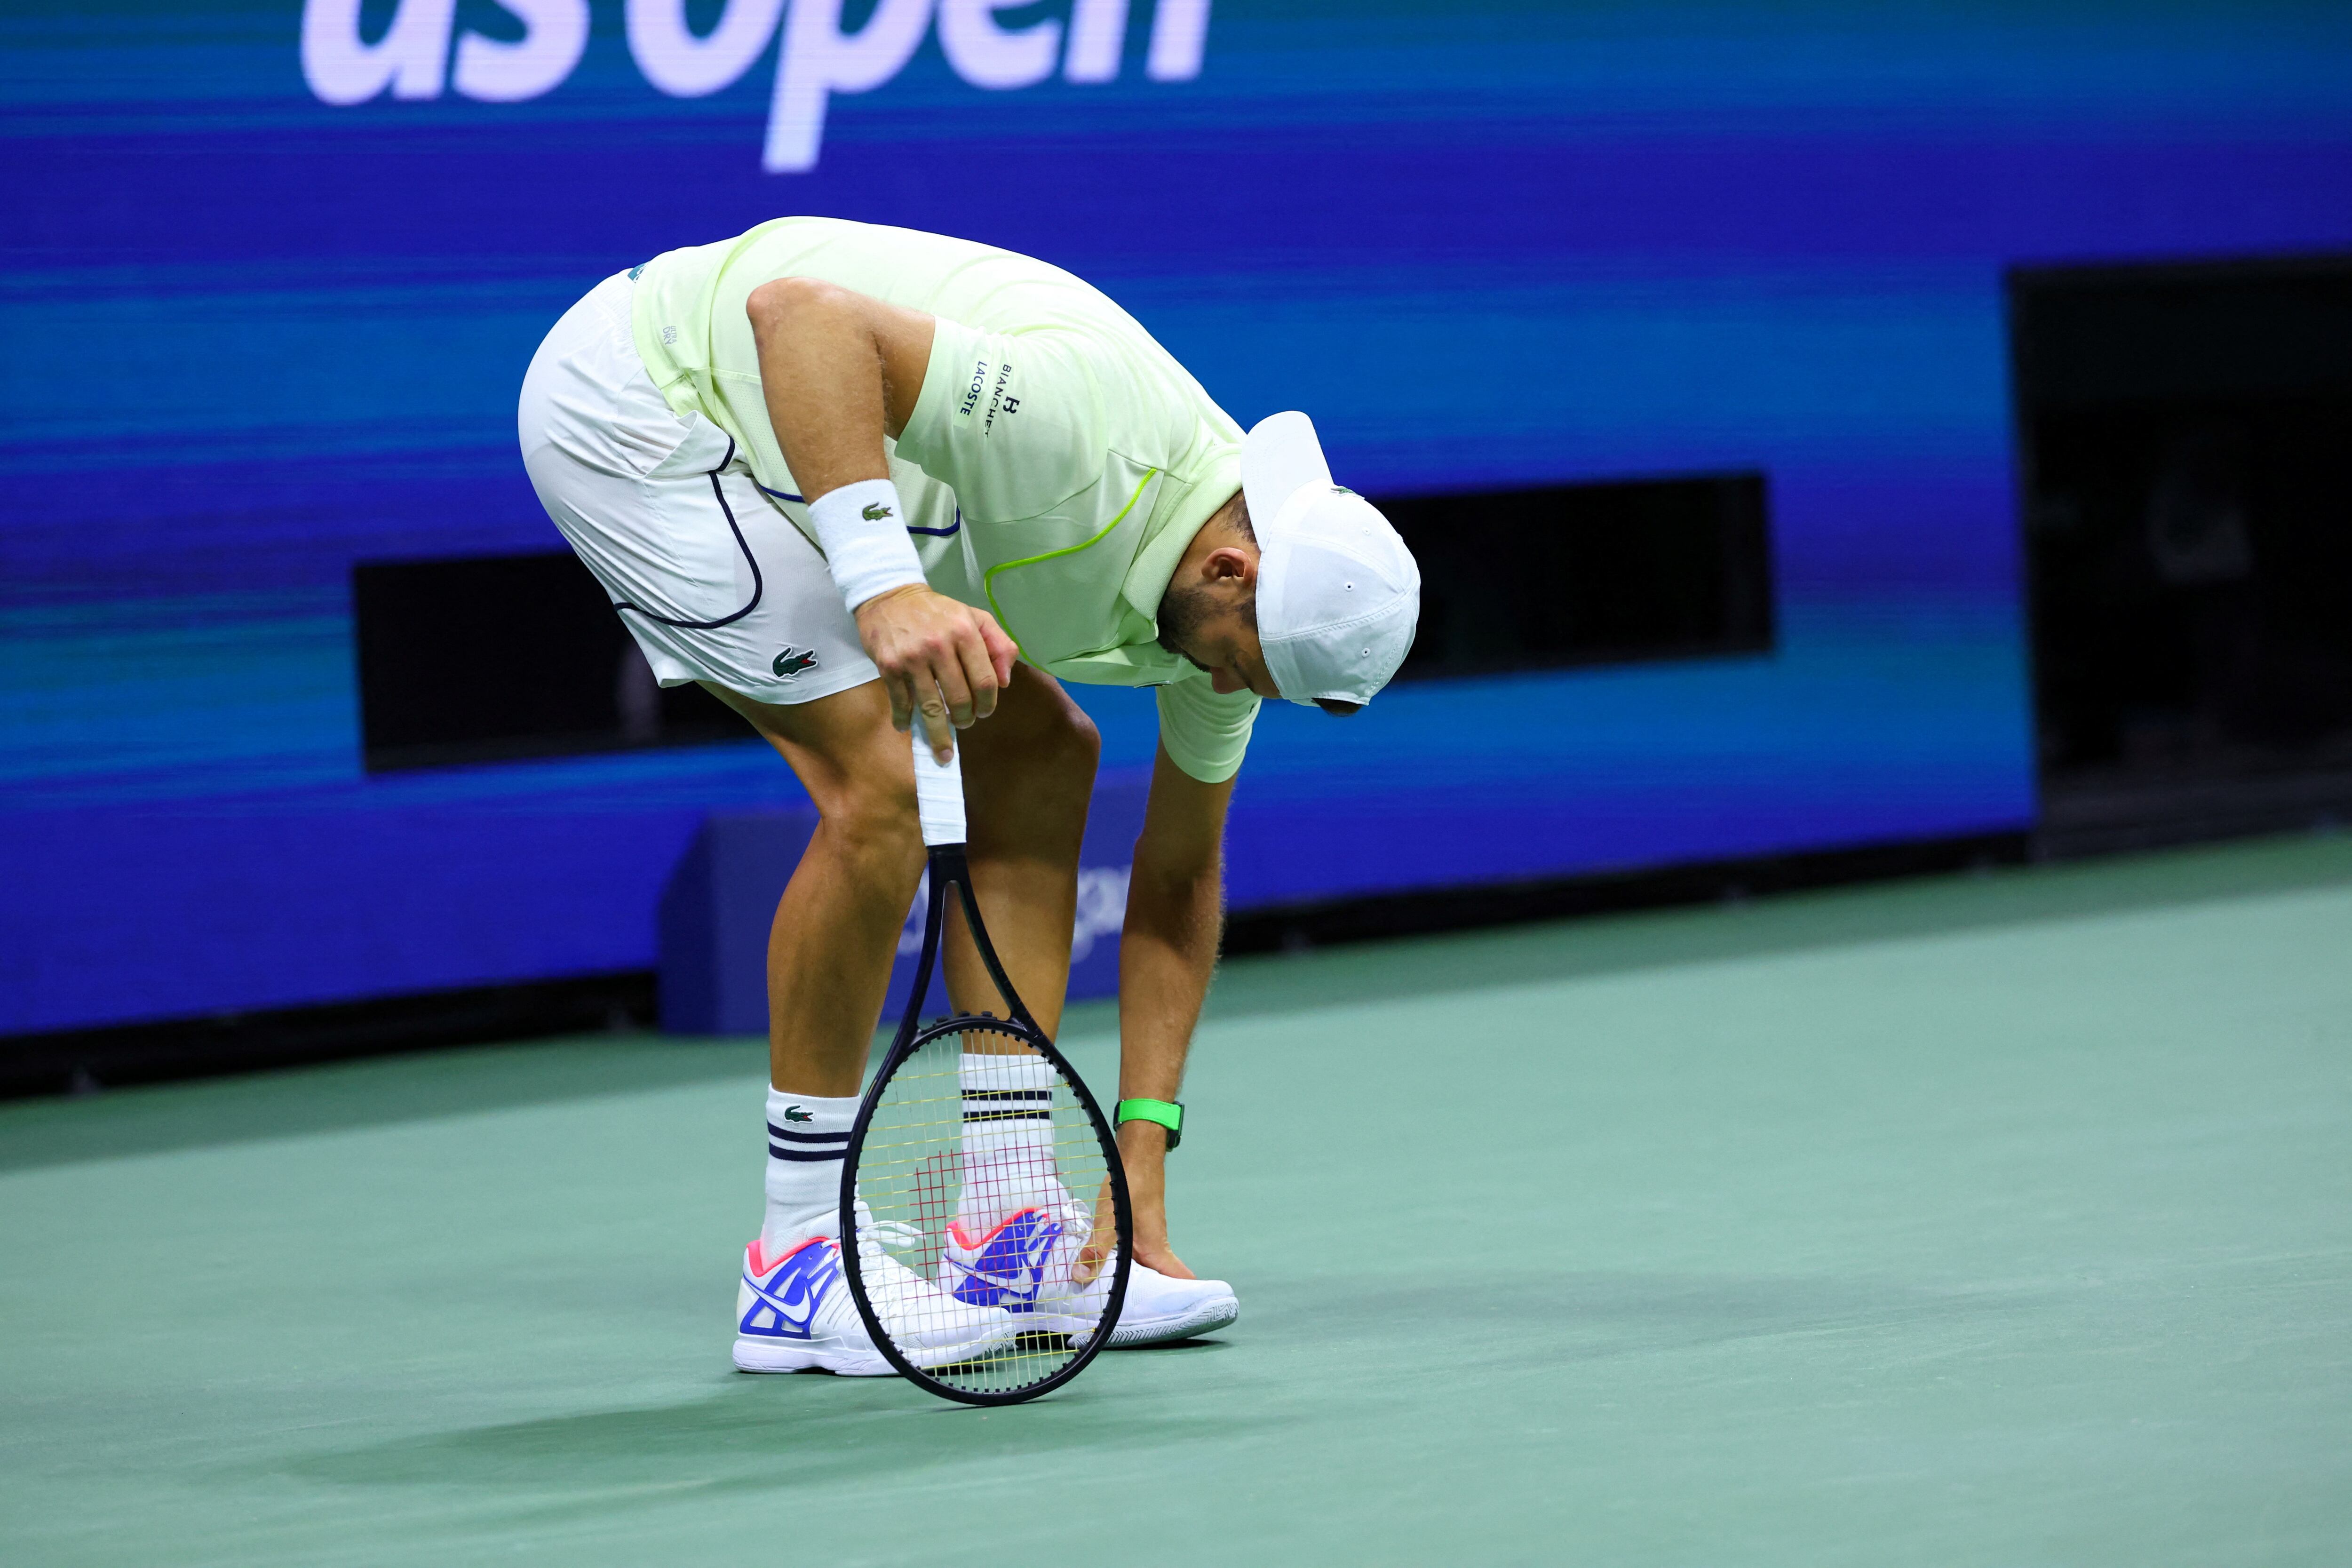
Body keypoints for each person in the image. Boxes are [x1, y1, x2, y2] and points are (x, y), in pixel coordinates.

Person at [517, 217, 1420, 1375]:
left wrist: (1142, 1151)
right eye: (1241, 666)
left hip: (805, 446)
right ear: (1231, 573)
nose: (1229, 690)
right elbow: (802, 317)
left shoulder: (1232, 616)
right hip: (649, 400)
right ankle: (796, 1266)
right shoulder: (1084, 431)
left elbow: (1181, 870)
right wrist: (885, 582)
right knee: (882, 790)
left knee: (1045, 753)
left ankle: (1002, 1226)